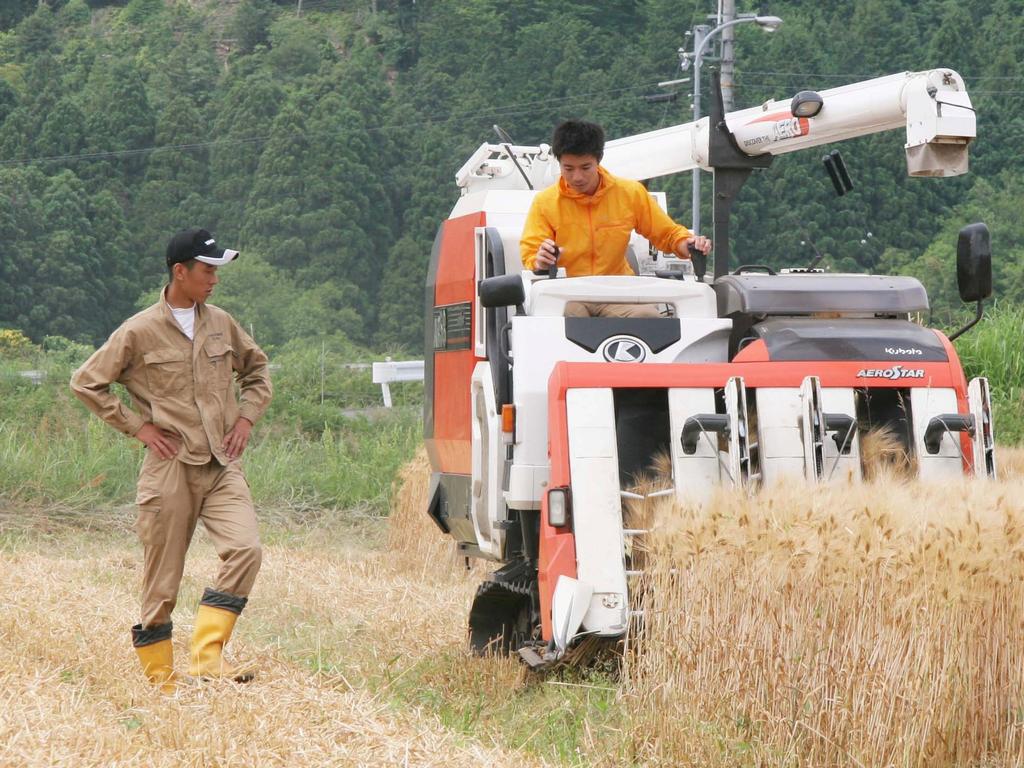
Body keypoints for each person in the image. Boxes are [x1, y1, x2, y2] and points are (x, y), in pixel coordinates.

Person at [70, 228, 272, 694]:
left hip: (222, 465)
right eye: (207, 270)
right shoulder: (139, 330)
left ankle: (206, 658)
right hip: (170, 466)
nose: (214, 279)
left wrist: (245, 420)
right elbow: (86, 382)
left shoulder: (221, 322)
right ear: (180, 272)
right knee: (163, 578)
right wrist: (138, 427)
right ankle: (160, 679)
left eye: (217, 270)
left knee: (246, 550)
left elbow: (257, 371)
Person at [519, 119, 712, 318]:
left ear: (599, 159)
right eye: (568, 169)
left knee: (649, 317)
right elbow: (531, 253)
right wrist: (540, 260)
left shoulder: (630, 193)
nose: (577, 177)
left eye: (585, 168)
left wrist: (687, 244)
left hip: (617, 293)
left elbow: (668, 235)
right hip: (567, 294)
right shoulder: (545, 202)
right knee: (570, 319)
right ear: (558, 162)